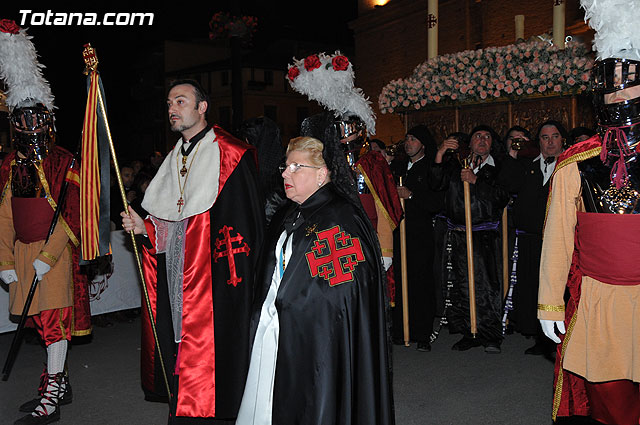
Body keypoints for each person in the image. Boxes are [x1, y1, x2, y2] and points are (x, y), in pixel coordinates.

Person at [121, 79, 264, 424]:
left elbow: (244, 222)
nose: (172, 109)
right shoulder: (174, 157)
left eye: (181, 102)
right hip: (179, 272)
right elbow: (172, 218)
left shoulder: (231, 153)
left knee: (214, 353)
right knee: (180, 347)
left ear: (202, 108)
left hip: (216, 276)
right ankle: (185, 410)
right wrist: (146, 228)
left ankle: (215, 412)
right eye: (169, 103)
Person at [235, 134, 394, 425]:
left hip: (316, 338)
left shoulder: (338, 218)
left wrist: (292, 306)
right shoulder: (290, 212)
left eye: (297, 167)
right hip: (276, 326)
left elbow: (342, 295)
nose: (285, 173)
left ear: (321, 174)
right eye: (286, 166)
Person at [538, 2, 640, 422]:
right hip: (601, 305)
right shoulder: (575, 163)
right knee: (612, 409)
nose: (620, 98)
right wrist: (550, 305)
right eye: (611, 89)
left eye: (629, 87)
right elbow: (558, 240)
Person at [0, 20, 91, 425]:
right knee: (37, 322)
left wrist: (50, 255)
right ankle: (60, 380)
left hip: (51, 258)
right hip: (21, 254)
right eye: (20, 119)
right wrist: (4, 259)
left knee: (54, 323)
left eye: (33, 119)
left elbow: (72, 212)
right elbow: (4, 214)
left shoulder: (63, 160)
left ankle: (51, 396)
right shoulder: (8, 164)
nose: (28, 127)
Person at [429, 125, 509, 353]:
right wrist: (440, 152)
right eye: (477, 136)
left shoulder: (498, 167)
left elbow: (501, 197)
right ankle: (469, 331)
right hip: (457, 234)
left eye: (487, 137)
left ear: (492, 143)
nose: (482, 140)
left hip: (484, 235)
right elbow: (436, 184)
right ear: (470, 142)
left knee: (486, 286)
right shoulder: (456, 165)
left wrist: (476, 181)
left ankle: (490, 334)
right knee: (460, 285)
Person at [502, 121, 565, 356]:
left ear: (562, 140)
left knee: (557, 288)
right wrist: (513, 153)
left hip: (558, 241)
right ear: (537, 142)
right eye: (545, 137)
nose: (550, 142)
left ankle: (561, 339)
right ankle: (541, 339)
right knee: (534, 287)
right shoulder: (527, 166)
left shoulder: (570, 167)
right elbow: (506, 183)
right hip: (531, 239)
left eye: (555, 136)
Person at [391, 125, 444, 351]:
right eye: (407, 139)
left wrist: (411, 195)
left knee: (421, 282)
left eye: (413, 139)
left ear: (422, 144)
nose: (408, 142)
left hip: (420, 233)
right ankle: (400, 330)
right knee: (399, 280)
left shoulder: (430, 168)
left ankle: (422, 332)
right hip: (398, 231)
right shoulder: (397, 166)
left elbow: (436, 202)